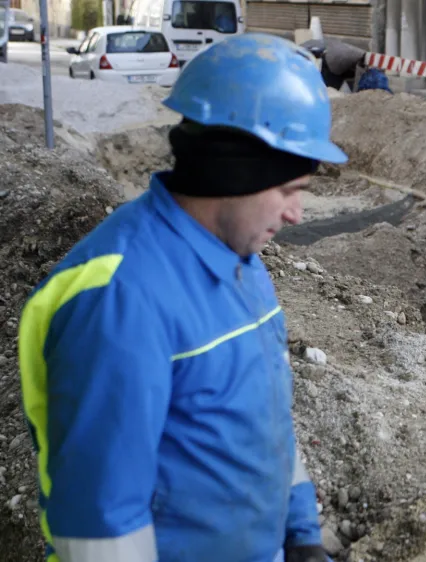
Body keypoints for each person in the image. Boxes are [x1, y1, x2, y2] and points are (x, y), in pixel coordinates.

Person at [17, 34, 345, 562]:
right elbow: (103, 528)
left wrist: (302, 533)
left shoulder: (242, 264)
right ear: (235, 174)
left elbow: (266, 420)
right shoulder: (121, 300)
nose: (296, 215)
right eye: (289, 190)